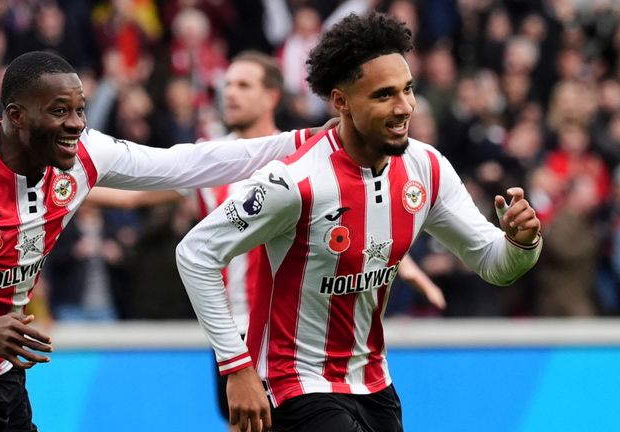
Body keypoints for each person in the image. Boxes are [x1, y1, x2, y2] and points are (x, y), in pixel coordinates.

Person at [0, 51, 309, 432]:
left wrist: (305, 140)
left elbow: (187, 163)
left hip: (0, 375)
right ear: (16, 116)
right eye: (59, 111)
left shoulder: (80, 157)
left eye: (80, 110)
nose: (75, 124)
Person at [176, 12, 542, 432]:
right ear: (341, 102)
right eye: (384, 95)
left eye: (407, 90)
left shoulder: (426, 168)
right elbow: (195, 253)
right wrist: (236, 367)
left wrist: (521, 244)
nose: (404, 107)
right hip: (293, 384)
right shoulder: (293, 181)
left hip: (374, 384)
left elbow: (495, 265)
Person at [88, 50, 445, 429]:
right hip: (232, 326)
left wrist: (406, 265)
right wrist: (61, 189)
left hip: (289, 336)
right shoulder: (214, 163)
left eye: (243, 85)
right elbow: (133, 194)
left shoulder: (304, 161)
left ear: (271, 96)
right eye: (226, 85)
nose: (230, 94)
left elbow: (351, 222)